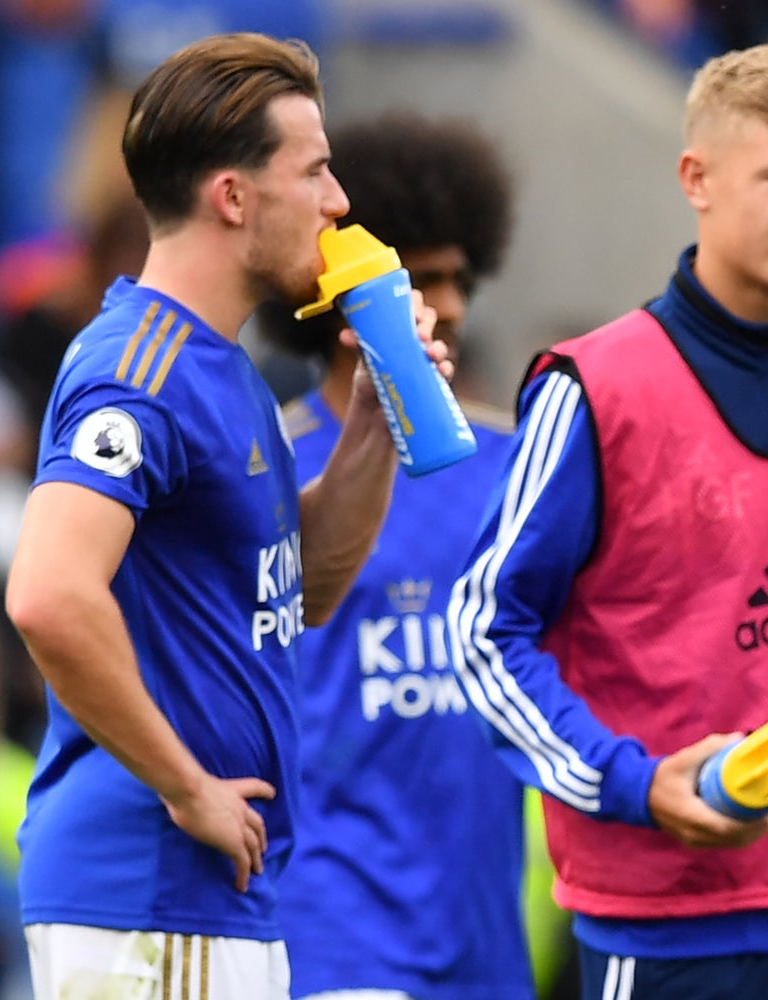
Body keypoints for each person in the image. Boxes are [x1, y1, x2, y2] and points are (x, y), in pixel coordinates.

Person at [445, 44, 768, 1000]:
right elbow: (480, 634)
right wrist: (633, 783)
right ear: (696, 178)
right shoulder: (595, 386)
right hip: (669, 920)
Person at [1, 33, 443, 997]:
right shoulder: (139, 367)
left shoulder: (220, 366)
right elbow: (46, 594)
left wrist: (372, 416)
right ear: (233, 198)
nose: (339, 203)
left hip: (206, 897)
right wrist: (184, 784)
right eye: (317, 171)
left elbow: (307, 585)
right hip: (148, 890)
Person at [255, 113, 530, 1000]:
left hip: (486, 929)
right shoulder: (269, 467)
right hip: (332, 928)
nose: (442, 303)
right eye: (416, 276)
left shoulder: (520, 464)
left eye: (455, 277)